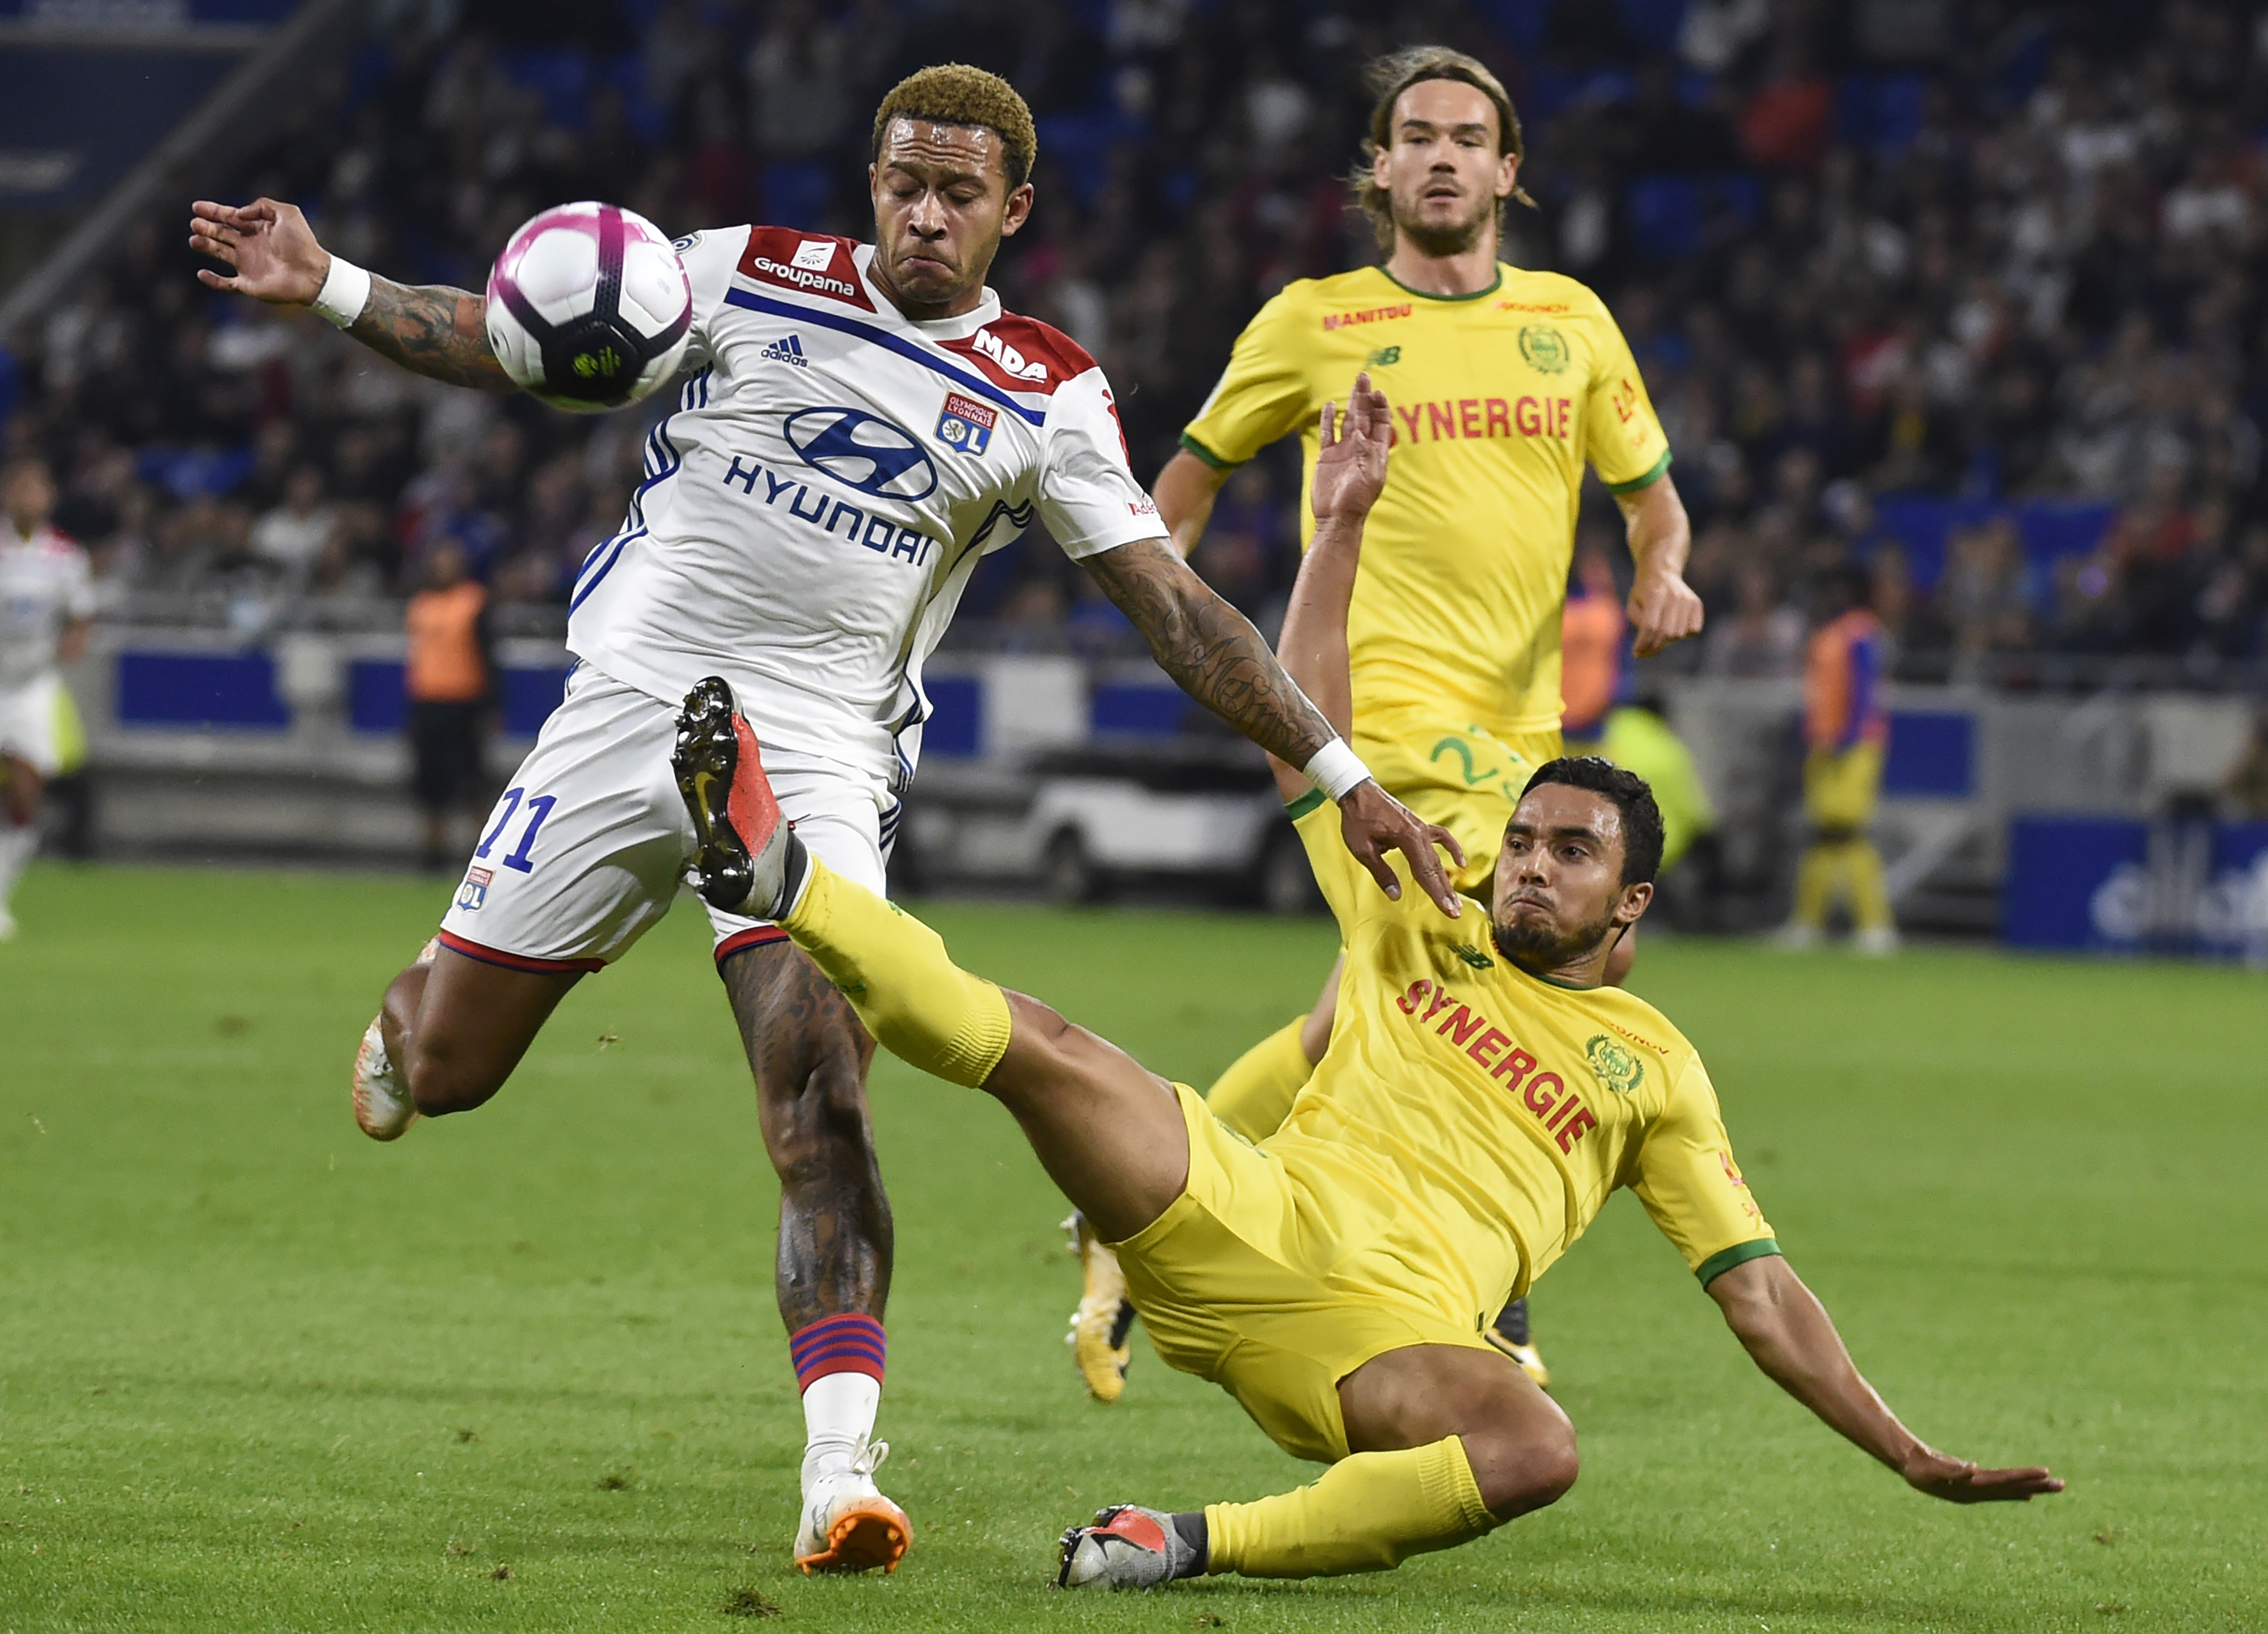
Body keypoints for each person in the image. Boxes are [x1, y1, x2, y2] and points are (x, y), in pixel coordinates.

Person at [187, 64, 1451, 1574]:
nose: (925, 215)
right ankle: (408, 1027)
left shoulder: (1046, 389)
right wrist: (331, 284)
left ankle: (838, 1475)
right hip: (623, 711)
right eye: (904, 184)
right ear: (873, 182)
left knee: (821, 1105)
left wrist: (1340, 774)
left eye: (959, 193)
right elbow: (520, 336)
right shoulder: (739, 272)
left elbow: (1176, 609)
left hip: (813, 764)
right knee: (449, 1071)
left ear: (1014, 210)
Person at [672, 375, 2060, 1589]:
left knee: (1534, 1447)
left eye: (1569, 853)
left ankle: (1185, 1541)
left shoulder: (1656, 1070)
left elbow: (1759, 1294)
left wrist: (1905, 1451)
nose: (1528, 866)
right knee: (1043, 1042)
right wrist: (1336, 524)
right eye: (1525, 839)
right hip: (1233, 1210)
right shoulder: (1423, 901)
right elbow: (1302, 724)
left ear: (1630, 900)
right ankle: (783, 876)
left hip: (1378, 1342)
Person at [1070, 45, 1706, 1401]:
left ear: (1507, 170)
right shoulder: (1313, 321)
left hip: (1521, 735)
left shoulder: (1571, 322)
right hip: (1368, 717)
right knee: (1513, 962)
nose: (1440, 156)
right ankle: (1492, 1296)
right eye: (1414, 135)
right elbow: (1180, 485)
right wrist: (1163, 606)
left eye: (1466, 137)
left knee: (1360, 1009)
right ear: (1377, 167)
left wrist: (1660, 570)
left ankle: (1125, 1220)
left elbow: (1651, 498)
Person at [1779, 563, 1897, 955]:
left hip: (1850, 745)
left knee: (1846, 834)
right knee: (1826, 837)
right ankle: (1810, 922)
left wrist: (1845, 739)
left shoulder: (1859, 633)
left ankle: (1874, 925)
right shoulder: (1834, 633)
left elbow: (1864, 690)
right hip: (1828, 742)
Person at [0, 455, 96, 940]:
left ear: (50, 497)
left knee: (24, 791)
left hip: (31, 686)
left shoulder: (65, 556)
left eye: (35, 488)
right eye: (19, 487)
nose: (27, 497)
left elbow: (81, 614)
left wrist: (72, 643)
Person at [403, 542, 496, 872]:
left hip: (464, 702)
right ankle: (433, 851)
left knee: (471, 782)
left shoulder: (474, 602)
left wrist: (491, 707)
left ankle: (484, 852)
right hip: (427, 701)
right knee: (431, 783)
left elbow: (488, 656)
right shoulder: (421, 604)